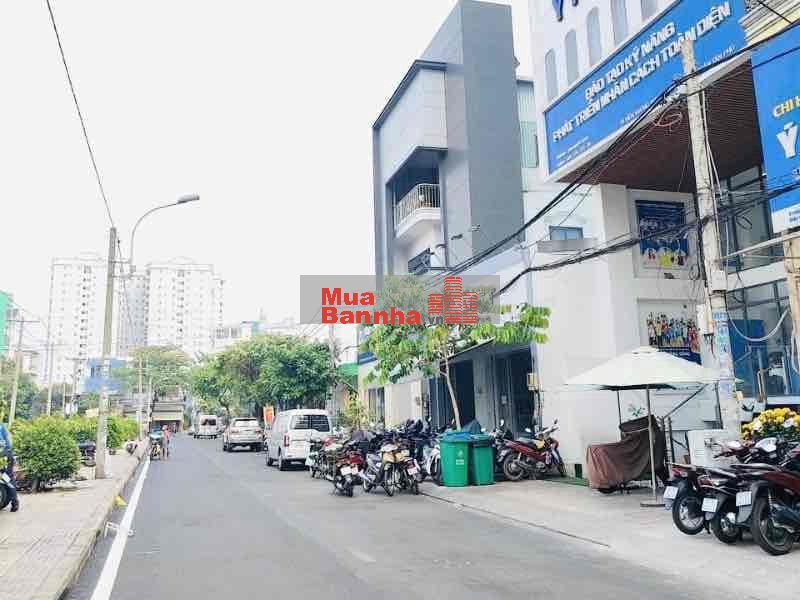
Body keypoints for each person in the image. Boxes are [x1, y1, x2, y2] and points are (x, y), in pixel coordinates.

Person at [0, 422, 19, 512]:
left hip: (3, 454)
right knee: (8, 478)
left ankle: (15, 502)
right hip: (8, 453)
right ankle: (14, 502)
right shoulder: (2, 426)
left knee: (7, 478)